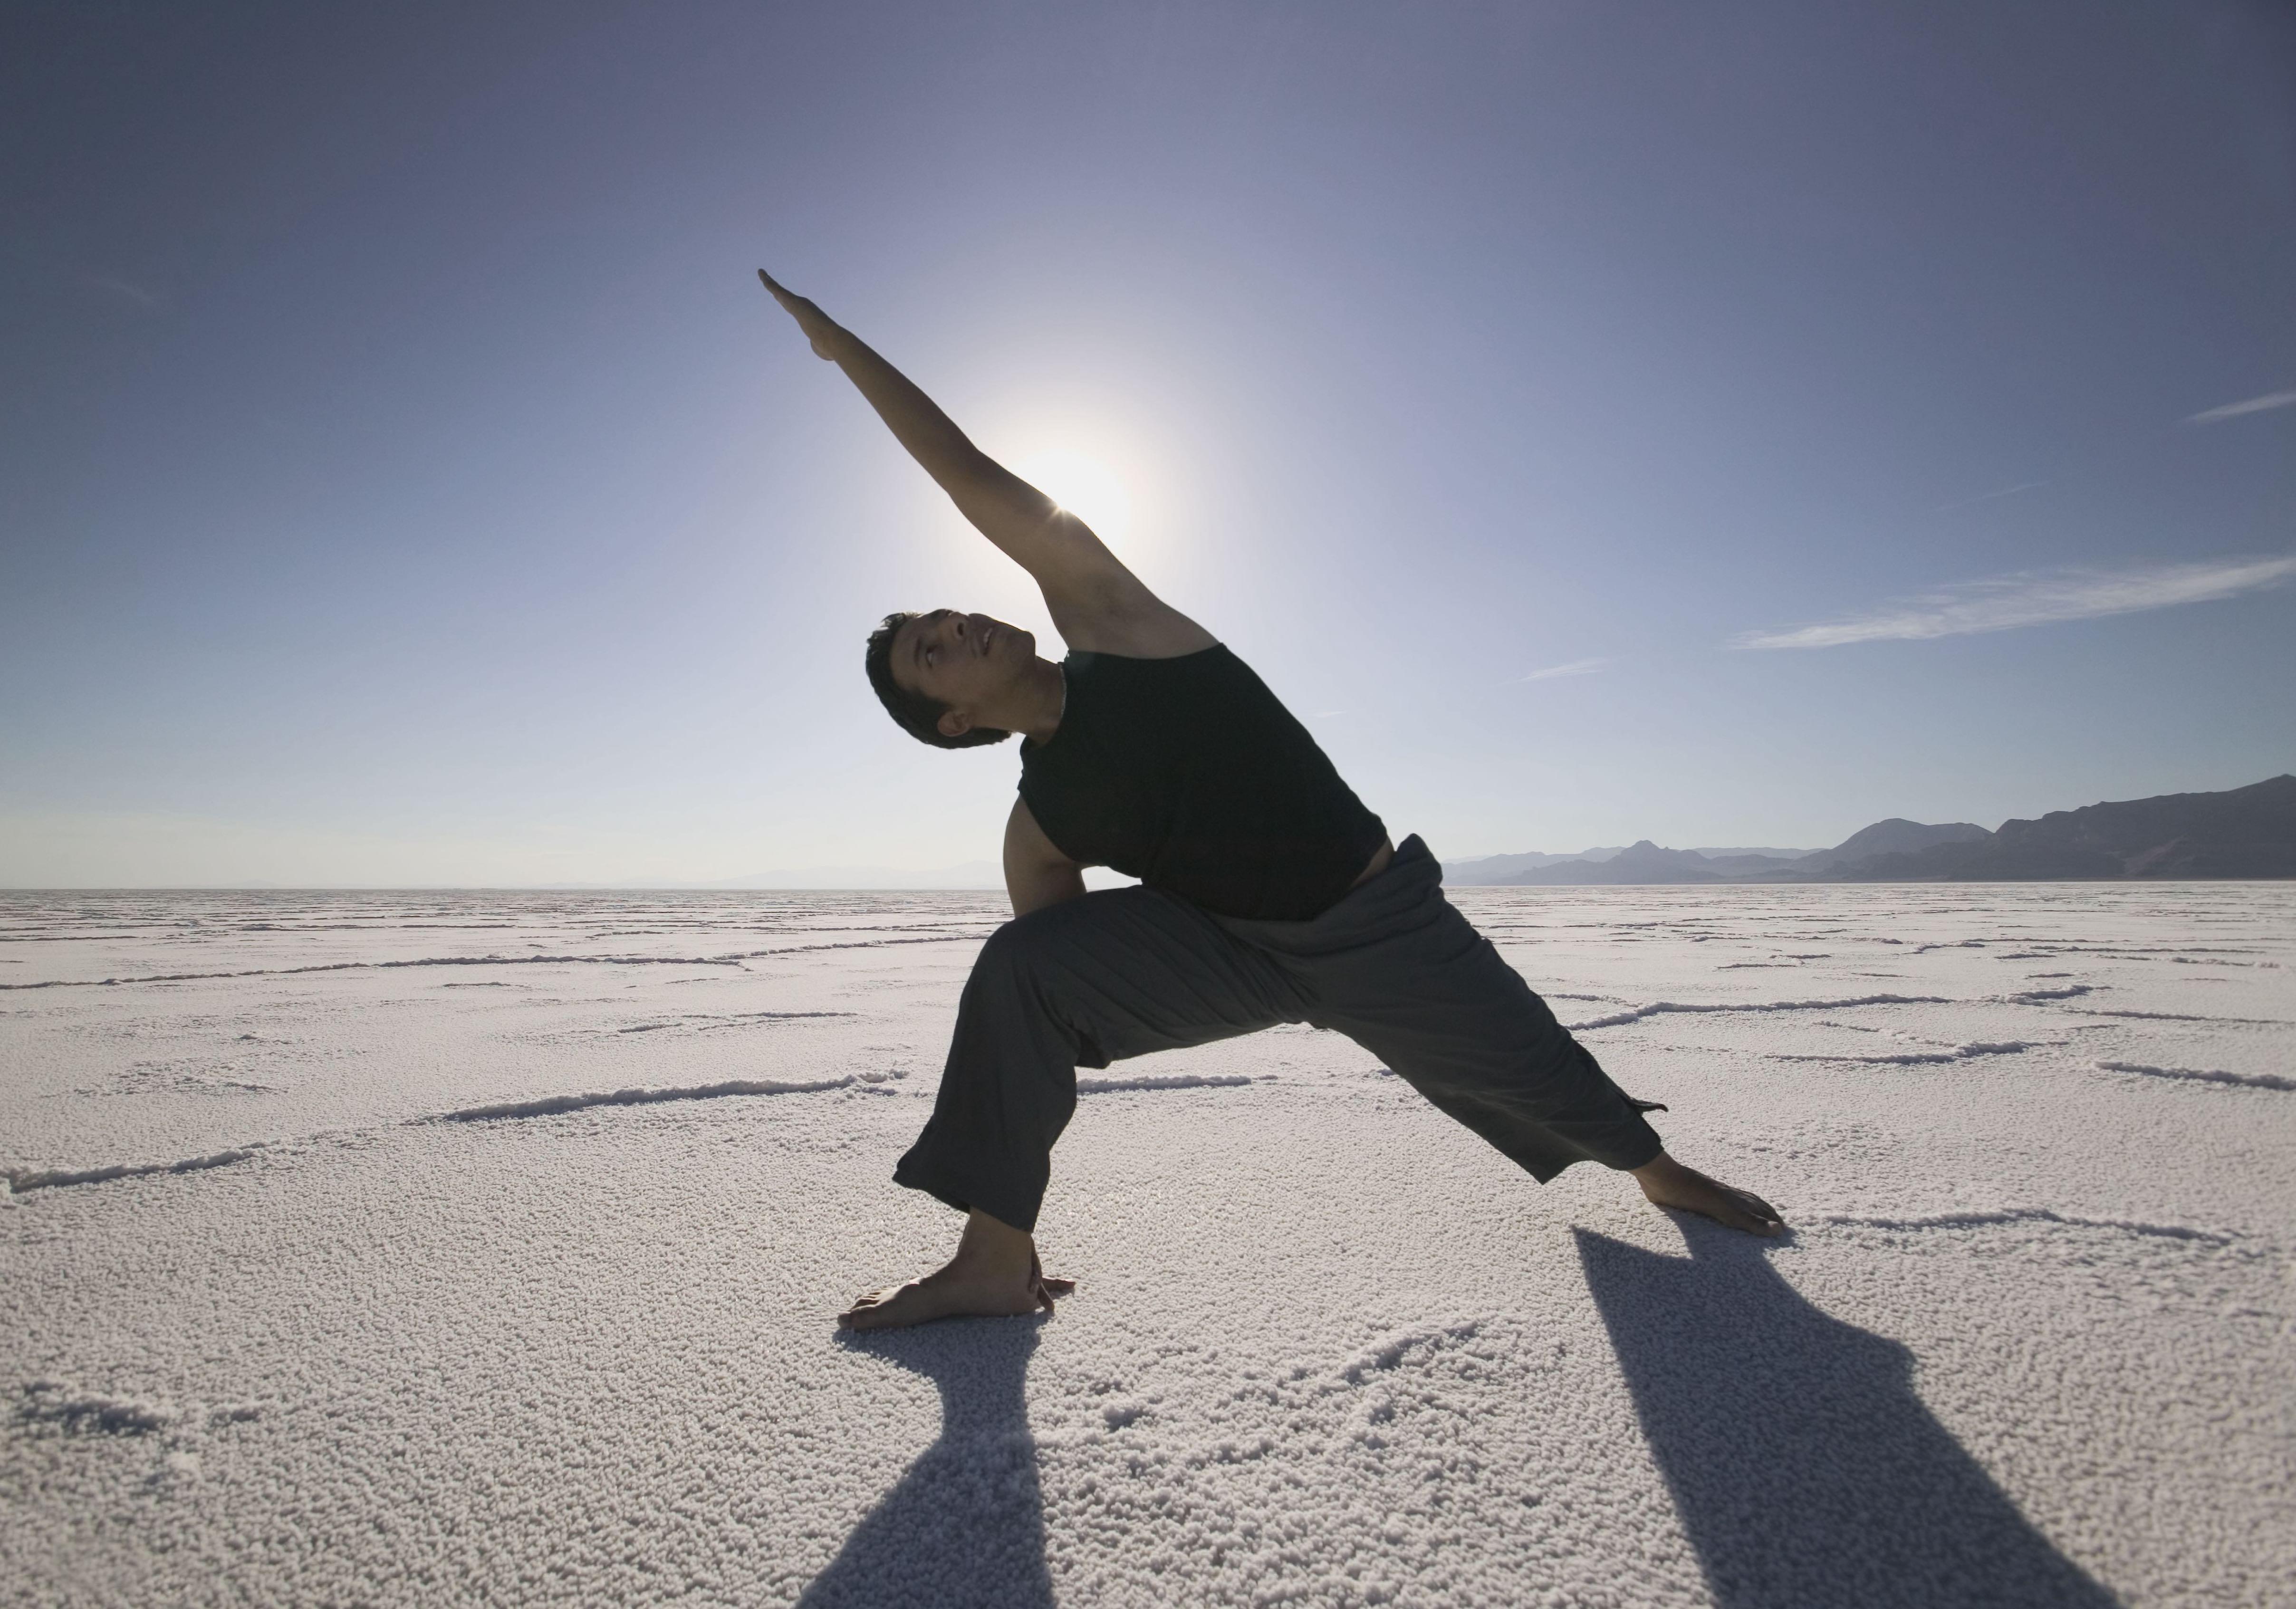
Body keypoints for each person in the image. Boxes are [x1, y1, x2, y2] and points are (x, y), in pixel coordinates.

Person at [755, 269, 1785, 1332]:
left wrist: (844, 350)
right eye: (932, 651)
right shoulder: (1040, 824)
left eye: (945, 611)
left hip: (1375, 918)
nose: (958, 620)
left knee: (1528, 1061)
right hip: (1235, 951)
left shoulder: (1117, 627)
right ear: (953, 726)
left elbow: (970, 475)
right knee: (1017, 968)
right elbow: (1058, 996)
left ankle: (1657, 1171)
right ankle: (991, 1259)